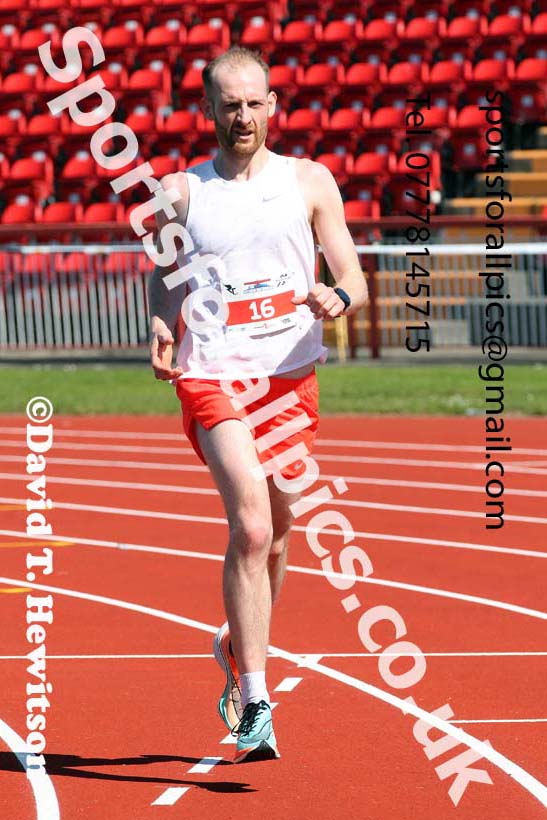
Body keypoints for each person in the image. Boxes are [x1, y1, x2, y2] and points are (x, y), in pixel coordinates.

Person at [148, 46, 368, 763]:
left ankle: (236, 639)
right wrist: (159, 320)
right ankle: (254, 697)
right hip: (211, 375)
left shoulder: (309, 181)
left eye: (253, 103)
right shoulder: (181, 191)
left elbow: (351, 275)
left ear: (272, 106)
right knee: (247, 519)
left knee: (275, 534)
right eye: (228, 104)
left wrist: (337, 297)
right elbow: (164, 272)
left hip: (287, 379)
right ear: (206, 110)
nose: (241, 116)